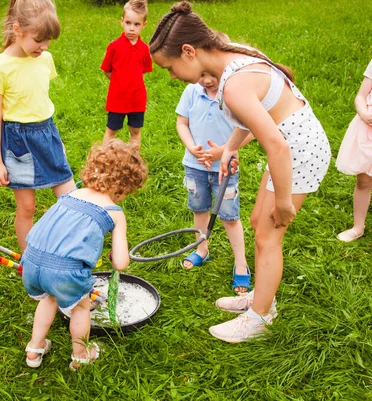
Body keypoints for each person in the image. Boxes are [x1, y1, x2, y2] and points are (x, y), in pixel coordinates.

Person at [149, 1, 331, 342]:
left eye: (169, 68)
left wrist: (285, 202)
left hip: (298, 154)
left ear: (188, 52)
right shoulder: (236, 57)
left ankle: (260, 318)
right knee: (258, 222)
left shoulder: (233, 85)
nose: (171, 76)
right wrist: (229, 148)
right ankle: (260, 298)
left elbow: (277, 145)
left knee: (269, 233)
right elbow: (257, 115)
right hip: (291, 149)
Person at [21, 139, 148, 370]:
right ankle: (81, 355)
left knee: (49, 299)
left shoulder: (71, 194)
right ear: (125, 187)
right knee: (80, 308)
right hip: (64, 271)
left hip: (32, 259)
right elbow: (120, 263)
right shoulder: (114, 212)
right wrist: (114, 255)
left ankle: (34, 349)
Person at [0, 0, 76, 253]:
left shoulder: (45, 59)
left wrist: (56, 141)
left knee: (71, 199)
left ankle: (69, 251)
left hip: (47, 133)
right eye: (39, 39)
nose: (44, 46)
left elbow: (41, 100)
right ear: (17, 29)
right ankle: (28, 259)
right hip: (18, 141)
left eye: (48, 40)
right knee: (27, 207)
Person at [176, 71, 252, 293]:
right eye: (200, 75)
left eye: (212, 75)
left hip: (224, 167)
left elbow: (251, 129)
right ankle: (202, 250)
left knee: (230, 217)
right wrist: (191, 147)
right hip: (194, 165)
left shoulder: (233, 94)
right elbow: (182, 123)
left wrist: (226, 150)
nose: (207, 80)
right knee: (199, 210)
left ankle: (241, 264)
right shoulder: (191, 91)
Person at [101, 0, 152, 148]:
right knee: (111, 130)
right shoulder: (114, 47)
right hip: (117, 98)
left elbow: (142, 72)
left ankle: (134, 161)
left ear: (144, 25)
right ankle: (103, 160)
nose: (131, 29)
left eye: (136, 24)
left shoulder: (144, 49)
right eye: (128, 23)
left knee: (135, 131)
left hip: (137, 99)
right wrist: (119, 82)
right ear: (122, 22)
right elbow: (106, 70)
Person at [335, 59, 372, 242]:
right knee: (364, 180)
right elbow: (360, 96)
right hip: (368, 130)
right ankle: (358, 227)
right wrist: (364, 113)